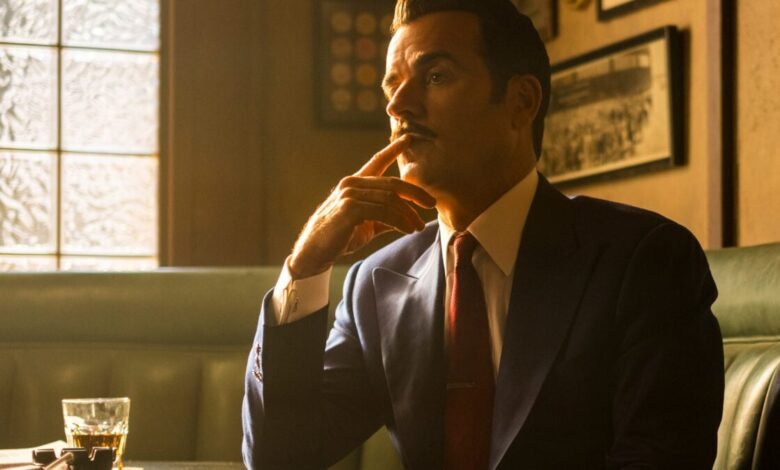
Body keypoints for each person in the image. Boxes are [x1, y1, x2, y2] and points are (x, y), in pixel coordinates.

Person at [242, 0, 724, 468]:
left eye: (435, 76)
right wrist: (304, 268)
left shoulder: (644, 260)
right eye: (392, 86)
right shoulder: (377, 283)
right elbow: (279, 457)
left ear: (521, 102)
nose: (398, 105)